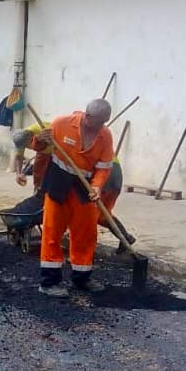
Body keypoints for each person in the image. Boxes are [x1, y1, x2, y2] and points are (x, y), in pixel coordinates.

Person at [31, 99, 114, 297]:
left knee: (85, 233)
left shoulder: (105, 135)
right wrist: (40, 140)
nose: (101, 127)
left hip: (83, 186)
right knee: (52, 231)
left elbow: (104, 167)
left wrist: (96, 187)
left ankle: (82, 278)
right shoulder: (61, 124)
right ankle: (49, 282)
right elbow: (39, 149)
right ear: (87, 116)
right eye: (99, 122)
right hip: (58, 180)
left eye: (105, 123)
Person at [15, 117, 135, 251]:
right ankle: (125, 238)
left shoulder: (50, 131)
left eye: (29, 144)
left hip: (106, 173)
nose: (29, 148)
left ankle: (84, 249)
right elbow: (37, 162)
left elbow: (67, 164)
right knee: (101, 214)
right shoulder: (30, 138)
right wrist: (21, 174)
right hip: (111, 172)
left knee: (91, 214)